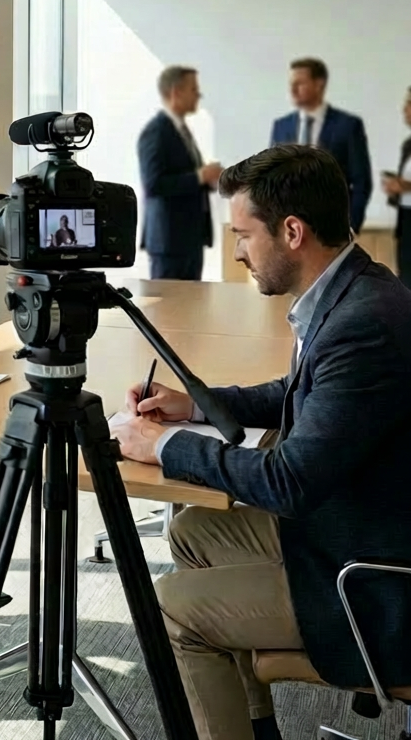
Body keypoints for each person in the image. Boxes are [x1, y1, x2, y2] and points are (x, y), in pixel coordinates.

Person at [110, 144, 411, 740]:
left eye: (243, 234)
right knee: (194, 531)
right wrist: (196, 403)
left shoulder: (361, 324)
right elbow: (300, 390)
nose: (238, 250)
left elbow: (288, 482)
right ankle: (253, 725)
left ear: (292, 231)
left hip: (378, 571)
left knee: (170, 607)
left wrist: (164, 446)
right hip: (363, 519)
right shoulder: (358, 287)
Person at [270, 56, 372, 234]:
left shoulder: (347, 126)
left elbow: (362, 181)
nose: (292, 90)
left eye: (300, 83)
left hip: (332, 228)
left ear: (319, 84)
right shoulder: (281, 126)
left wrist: (351, 225)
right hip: (289, 229)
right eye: (291, 84)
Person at [138, 65, 222, 280]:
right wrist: (200, 176)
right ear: (176, 92)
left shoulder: (182, 130)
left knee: (189, 307)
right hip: (170, 243)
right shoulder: (156, 132)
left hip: (189, 240)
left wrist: (208, 180)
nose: (199, 95)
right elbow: (153, 184)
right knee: (168, 310)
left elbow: (183, 178)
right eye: (194, 89)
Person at [380, 85, 411, 287]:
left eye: (409, 103)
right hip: (407, 221)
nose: (404, 109)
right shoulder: (408, 144)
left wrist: (407, 186)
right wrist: (394, 188)